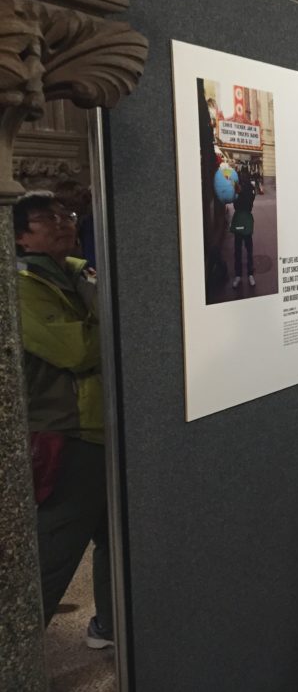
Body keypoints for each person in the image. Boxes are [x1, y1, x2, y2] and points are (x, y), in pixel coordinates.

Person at [13, 192, 113, 649]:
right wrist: (107, 325)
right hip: (66, 433)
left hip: (105, 426)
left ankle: (111, 625)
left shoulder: (80, 271)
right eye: (45, 218)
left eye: (65, 215)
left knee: (118, 539)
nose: (62, 223)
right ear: (20, 236)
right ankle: (18, 654)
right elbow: (74, 351)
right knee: (54, 553)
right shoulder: (18, 285)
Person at [231, 162, 256, 290]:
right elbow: (235, 204)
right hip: (239, 220)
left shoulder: (250, 188)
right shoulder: (237, 187)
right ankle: (238, 275)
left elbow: (250, 204)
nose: (244, 177)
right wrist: (237, 191)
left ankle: (250, 274)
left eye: (245, 175)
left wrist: (243, 192)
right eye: (242, 175)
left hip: (246, 219)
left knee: (249, 249)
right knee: (237, 250)